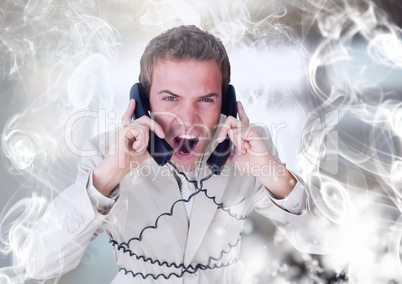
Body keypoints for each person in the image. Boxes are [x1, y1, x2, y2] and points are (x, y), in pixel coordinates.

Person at [23, 25, 335, 283]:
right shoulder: (106, 154)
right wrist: (107, 177)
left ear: (226, 105)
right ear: (144, 103)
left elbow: (325, 243)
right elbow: (39, 263)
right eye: (170, 97)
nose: (188, 118)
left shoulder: (251, 150)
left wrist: (272, 173)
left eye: (206, 100)